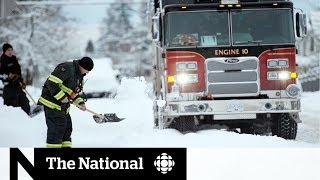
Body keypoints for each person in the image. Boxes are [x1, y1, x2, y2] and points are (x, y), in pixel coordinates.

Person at [38, 57, 94, 148]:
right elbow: (51, 83)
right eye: (87, 70)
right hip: (53, 105)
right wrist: (62, 97)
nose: (87, 73)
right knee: (57, 131)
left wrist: (80, 103)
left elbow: (73, 93)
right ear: (81, 66)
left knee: (67, 130)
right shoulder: (66, 68)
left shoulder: (79, 76)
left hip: (63, 107)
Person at [0, 43, 42, 117]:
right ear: (4, 51)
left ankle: (28, 116)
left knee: (24, 101)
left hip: (17, 86)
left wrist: (22, 82)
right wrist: (9, 76)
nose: (10, 52)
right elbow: (2, 75)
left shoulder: (14, 60)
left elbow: (18, 73)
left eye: (11, 50)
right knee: (14, 106)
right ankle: (17, 120)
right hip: (9, 89)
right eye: (8, 50)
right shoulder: (2, 61)